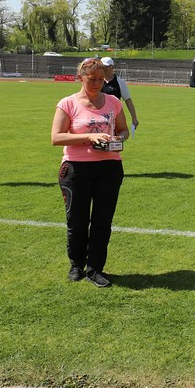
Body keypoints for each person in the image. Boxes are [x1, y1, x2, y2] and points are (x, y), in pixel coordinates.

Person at [51, 57, 129, 287]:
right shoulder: (68, 103)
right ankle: (76, 264)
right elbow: (56, 137)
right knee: (77, 220)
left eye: (100, 79)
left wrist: (117, 139)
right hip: (76, 169)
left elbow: (124, 130)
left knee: (102, 221)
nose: (97, 84)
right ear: (80, 78)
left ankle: (95, 268)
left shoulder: (114, 102)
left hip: (110, 169)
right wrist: (89, 137)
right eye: (91, 79)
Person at [100, 56, 139, 132]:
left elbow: (128, 100)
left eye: (106, 67)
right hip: (98, 116)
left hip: (114, 117)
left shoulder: (119, 82)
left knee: (114, 140)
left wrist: (134, 118)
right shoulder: (97, 81)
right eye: (102, 66)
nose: (104, 68)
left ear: (112, 67)